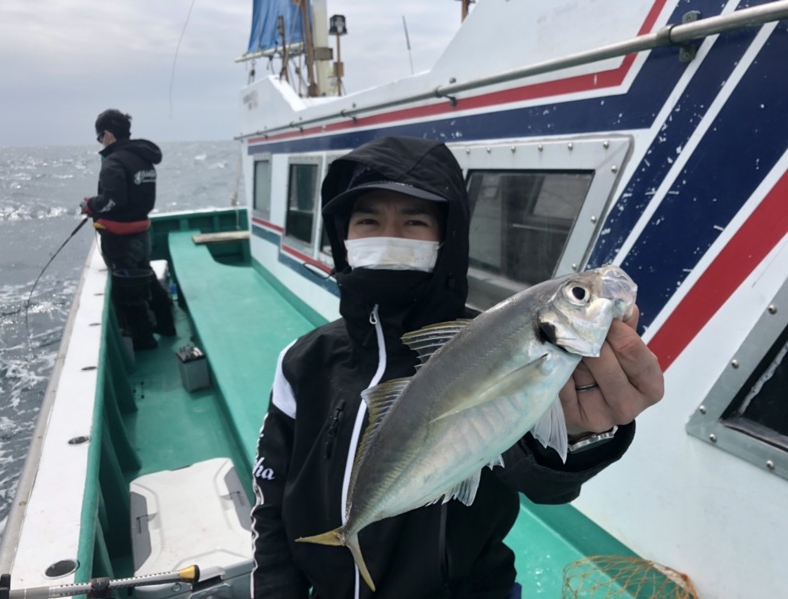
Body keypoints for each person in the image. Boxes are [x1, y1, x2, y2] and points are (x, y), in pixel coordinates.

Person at [250, 136, 663, 598]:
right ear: (341, 236)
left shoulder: (486, 340)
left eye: (414, 220)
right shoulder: (303, 361)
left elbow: (539, 474)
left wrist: (585, 437)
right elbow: (271, 500)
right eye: (368, 220)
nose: (392, 235)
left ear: (447, 237)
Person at [81, 108, 175, 350]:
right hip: (142, 234)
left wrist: (90, 204)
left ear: (108, 134)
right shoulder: (142, 157)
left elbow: (113, 201)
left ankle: (144, 341)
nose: (101, 142)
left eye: (100, 137)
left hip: (121, 239)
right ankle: (166, 323)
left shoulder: (114, 161)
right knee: (146, 277)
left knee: (130, 293)